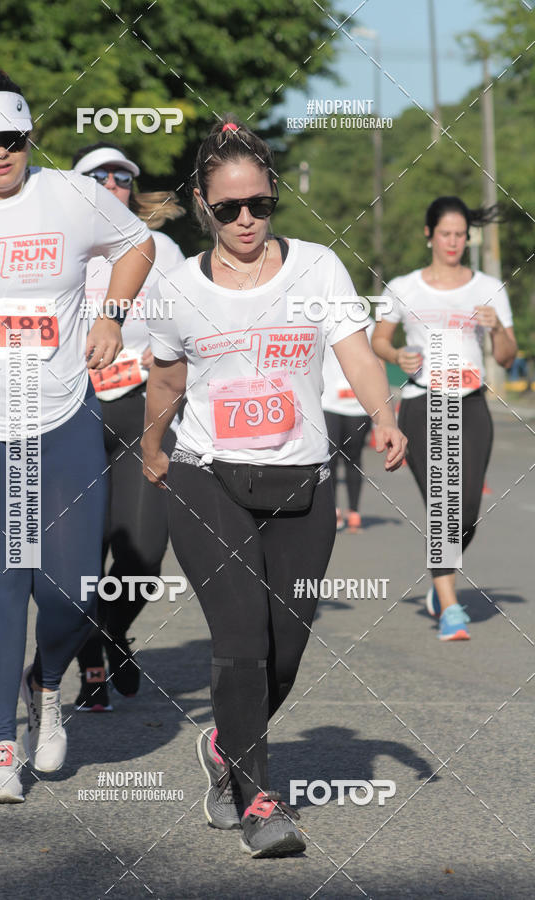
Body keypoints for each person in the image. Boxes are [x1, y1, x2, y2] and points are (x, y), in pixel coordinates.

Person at [141, 118, 406, 857]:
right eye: (228, 208)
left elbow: (356, 353)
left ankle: (225, 748)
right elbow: (166, 379)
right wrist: (153, 445)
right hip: (205, 474)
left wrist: (384, 416)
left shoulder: (317, 268)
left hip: (302, 480)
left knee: (284, 651)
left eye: (259, 204)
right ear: (203, 205)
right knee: (240, 639)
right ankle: (260, 803)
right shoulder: (177, 289)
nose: (246, 220)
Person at [0, 70, 154, 802]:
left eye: (13, 139)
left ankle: (47, 681)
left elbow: (137, 243)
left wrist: (110, 315)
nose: (1, 154)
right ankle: (1, 746)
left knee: (74, 591)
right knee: (3, 580)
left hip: (60, 415)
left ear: (30, 136)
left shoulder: (69, 195)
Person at [70, 142, 185, 710]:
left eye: (122, 177)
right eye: (100, 176)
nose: (113, 184)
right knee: (82, 553)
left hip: (143, 410)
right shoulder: (59, 248)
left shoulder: (162, 249)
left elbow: (192, 321)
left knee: (143, 554)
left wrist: (166, 354)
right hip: (72, 412)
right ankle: (90, 664)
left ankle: (112, 630)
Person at [372, 196, 516, 641]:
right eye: (445, 234)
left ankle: (440, 582)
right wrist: (397, 354)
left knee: (466, 510)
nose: (453, 242)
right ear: (428, 235)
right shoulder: (404, 287)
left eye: (460, 235)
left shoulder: (488, 287)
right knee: (444, 507)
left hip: (470, 404)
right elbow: (378, 340)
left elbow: (507, 358)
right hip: (422, 403)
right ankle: (450, 603)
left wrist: (497, 328)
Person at [322, 318, 376, 532]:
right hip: (328, 402)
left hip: (359, 405)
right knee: (330, 458)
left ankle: (354, 512)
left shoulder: (368, 324)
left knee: (354, 458)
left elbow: (375, 362)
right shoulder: (320, 320)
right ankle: (333, 510)